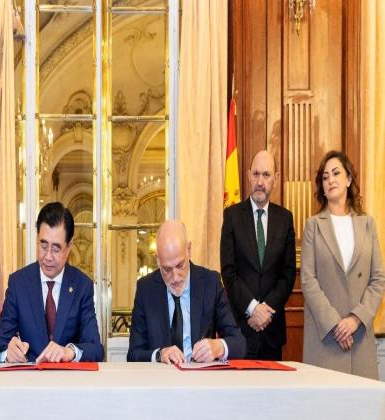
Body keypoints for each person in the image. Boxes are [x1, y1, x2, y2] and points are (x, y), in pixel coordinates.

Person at [301, 150, 385, 379]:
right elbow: (308, 281)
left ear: (348, 179)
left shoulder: (368, 224)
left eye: (336, 173)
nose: (330, 180)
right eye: (325, 177)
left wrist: (355, 320)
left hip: (359, 339)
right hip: (326, 340)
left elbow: (378, 279)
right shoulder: (313, 226)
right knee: (326, 401)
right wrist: (336, 324)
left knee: (362, 402)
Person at [0, 202, 103, 363]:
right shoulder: (19, 283)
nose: (48, 256)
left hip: (67, 377)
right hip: (29, 377)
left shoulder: (82, 286)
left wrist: (69, 351)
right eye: (43, 246)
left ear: (69, 247)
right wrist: (8, 353)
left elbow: (95, 349)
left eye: (56, 249)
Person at [127, 220, 246, 364]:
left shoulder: (210, 283)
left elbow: (239, 344)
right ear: (158, 260)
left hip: (200, 377)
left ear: (188, 250)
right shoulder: (146, 289)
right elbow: (133, 354)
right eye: (167, 269)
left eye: (180, 265)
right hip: (162, 376)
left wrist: (218, 347)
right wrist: (159, 354)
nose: (175, 278)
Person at [221, 150, 296, 360]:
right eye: (256, 174)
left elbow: (288, 274)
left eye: (266, 175)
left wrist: (265, 311)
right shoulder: (232, 216)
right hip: (241, 329)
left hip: (272, 331)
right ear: (248, 175)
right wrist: (253, 309)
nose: (260, 182)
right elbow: (229, 272)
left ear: (276, 178)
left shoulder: (285, 219)